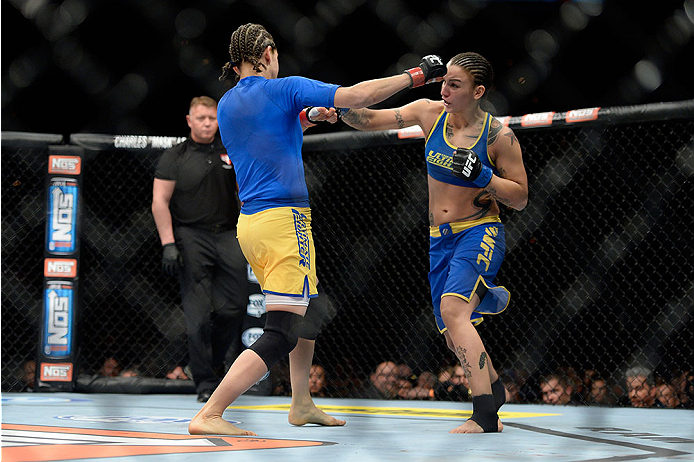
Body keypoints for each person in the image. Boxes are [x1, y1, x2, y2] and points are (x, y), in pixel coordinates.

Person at [187, 22, 446, 437]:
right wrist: (416, 76)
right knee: (282, 330)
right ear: (268, 52)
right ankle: (211, 411)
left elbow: (269, 136)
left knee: (306, 308)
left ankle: (301, 402)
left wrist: (307, 118)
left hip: (252, 224)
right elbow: (358, 96)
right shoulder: (283, 87)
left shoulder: (228, 104)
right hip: (283, 219)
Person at [340, 52, 528, 433]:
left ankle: (485, 415)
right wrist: (337, 107)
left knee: (455, 312)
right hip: (438, 239)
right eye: (443, 82)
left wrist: (486, 178)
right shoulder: (429, 113)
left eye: (454, 85)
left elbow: (521, 197)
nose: (444, 90)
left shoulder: (498, 136)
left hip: (479, 231)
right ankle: (493, 386)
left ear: (478, 91)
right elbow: (370, 119)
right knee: (450, 331)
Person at [152, 95, 249, 403]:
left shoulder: (229, 152)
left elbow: (243, 193)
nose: (208, 123)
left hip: (228, 235)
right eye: (202, 118)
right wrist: (168, 243)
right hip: (190, 236)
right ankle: (205, 381)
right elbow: (159, 202)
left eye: (213, 118)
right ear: (190, 120)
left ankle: (213, 362)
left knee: (234, 307)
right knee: (197, 314)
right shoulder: (175, 156)